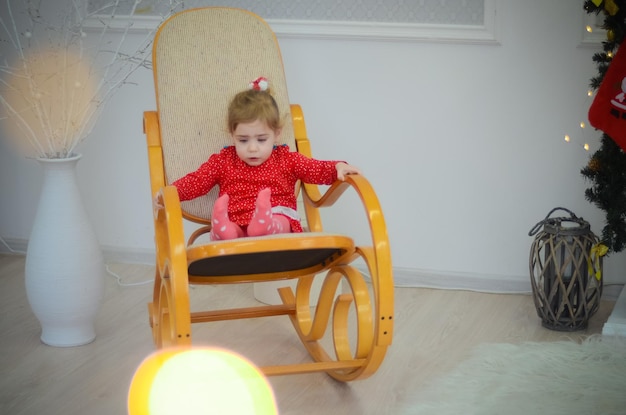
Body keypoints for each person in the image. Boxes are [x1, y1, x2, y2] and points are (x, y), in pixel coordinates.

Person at [168, 77, 361, 241]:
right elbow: (198, 180)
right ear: (232, 134)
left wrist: (337, 166)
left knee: (281, 219)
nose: (252, 148)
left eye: (261, 139)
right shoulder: (224, 160)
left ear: (276, 134)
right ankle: (223, 229)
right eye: (243, 140)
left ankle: (267, 225)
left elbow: (314, 168)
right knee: (231, 227)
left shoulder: (286, 159)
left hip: (277, 215)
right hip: (238, 222)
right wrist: (172, 193)